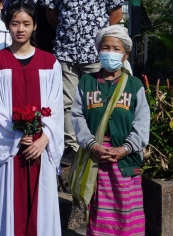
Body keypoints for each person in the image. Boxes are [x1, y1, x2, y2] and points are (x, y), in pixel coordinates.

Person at [40, 0, 124, 166]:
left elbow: (116, 14)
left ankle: (96, 144)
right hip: (66, 53)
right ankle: (73, 147)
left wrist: (100, 38)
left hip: (95, 55)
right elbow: (50, 14)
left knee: (95, 101)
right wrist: (67, 33)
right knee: (68, 102)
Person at [0, 3, 64, 236]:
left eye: (26, 24)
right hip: (9, 145)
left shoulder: (49, 63)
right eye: (15, 23)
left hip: (40, 146)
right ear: (7, 26)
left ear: (35, 26)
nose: (20, 29)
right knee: (8, 206)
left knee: (42, 207)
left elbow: (55, 107)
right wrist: (18, 134)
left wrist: (43, 139)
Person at [70, 25, 149, 236]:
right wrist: (91, 144)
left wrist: (126, 148)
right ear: (98, 50)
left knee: (126, 214)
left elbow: (142, 123)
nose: (110, 52)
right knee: (99, 215)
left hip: (125, 161)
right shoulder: (87, 83)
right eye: (106, 47)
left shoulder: (135, 85)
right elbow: (77, 116)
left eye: (116, 48)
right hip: (97, 160)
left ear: (126, 55)